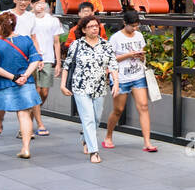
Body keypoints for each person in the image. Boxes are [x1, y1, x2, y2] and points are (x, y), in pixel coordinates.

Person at [0, 11, 42, 159]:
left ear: (1, 26)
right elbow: (35, 60)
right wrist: (25, 75)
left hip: (3, 84)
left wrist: (13, 78)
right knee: (24, 114)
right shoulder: (26, 40)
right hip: (25, 83)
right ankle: (25, 148)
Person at [61, 14, 117, 164]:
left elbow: (113, 65)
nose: (95, 29)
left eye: (96, 26)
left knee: (96, 118)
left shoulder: (106, 45)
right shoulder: (76, 44)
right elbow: (67, 65)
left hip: (100, 86)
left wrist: (116, 83)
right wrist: (62, 84)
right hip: (80, 86)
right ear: (84, 30)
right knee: (88, 118)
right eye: (91, 27)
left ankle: (86, 139)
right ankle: (94, 151)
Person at [107, 9, 156, 152]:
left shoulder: (139, 36)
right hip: (121, 78)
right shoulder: (116, 38)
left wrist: (141, 56)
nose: (135, 28)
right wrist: (129, 55)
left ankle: (147, 142)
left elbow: (143, 53)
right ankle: (109, 135)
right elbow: (110, 59)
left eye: (136, 26)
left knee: (143, 106)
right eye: (132, 26)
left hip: (138, 75)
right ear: (124, 23)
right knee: (118, 110)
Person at [27, 0, 63, 138]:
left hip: (48, 58)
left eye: (43, 3)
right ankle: (40, 124)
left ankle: (28, 118)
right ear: (32, 4)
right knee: (36, 91)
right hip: (31, 59)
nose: (40, 6)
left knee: (44, 92)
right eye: (37, 3)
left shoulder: (53, 20)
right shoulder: (28, 19)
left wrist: (58, 62)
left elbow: (56, 42)